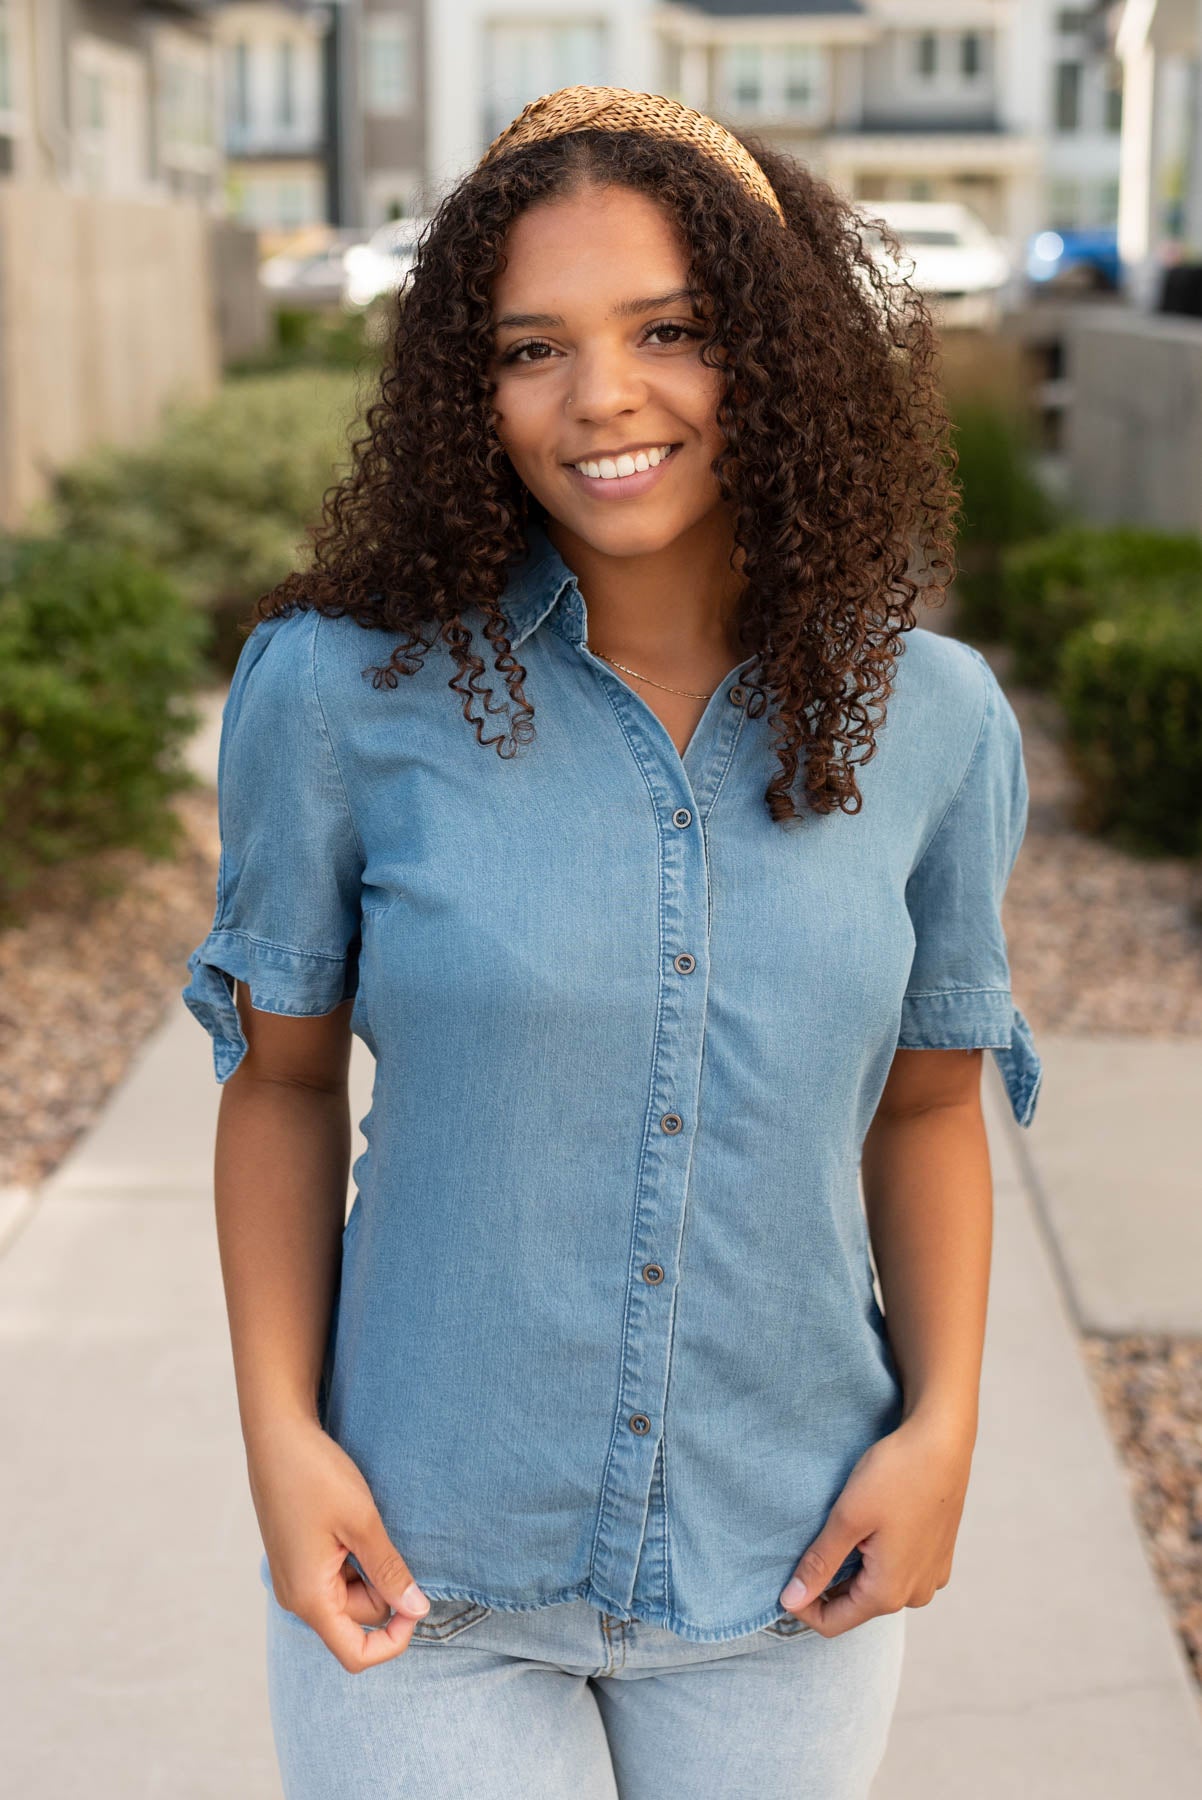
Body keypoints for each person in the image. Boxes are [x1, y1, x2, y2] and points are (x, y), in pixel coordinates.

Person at [181, 85, 1043, 1800]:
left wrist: (942, 1427)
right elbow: (274, 1090)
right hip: (419, 1562)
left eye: (671, 330)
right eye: (529, 348)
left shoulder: (930, 723)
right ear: (464, 390)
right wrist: (280, 1444)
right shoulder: (341, 695)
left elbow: (929, 1108)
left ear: (779, 354)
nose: (602, 399)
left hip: (788, 1568)